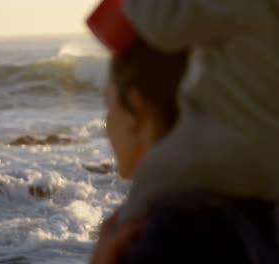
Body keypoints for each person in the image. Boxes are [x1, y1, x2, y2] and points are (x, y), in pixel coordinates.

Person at [86, 0, 279, 262]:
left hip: (233, 148)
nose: (105, 121)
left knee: (153, 176)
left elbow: (167, 24)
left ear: (137, 107)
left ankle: (125, 232)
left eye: (107, 102)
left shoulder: (172, 239)